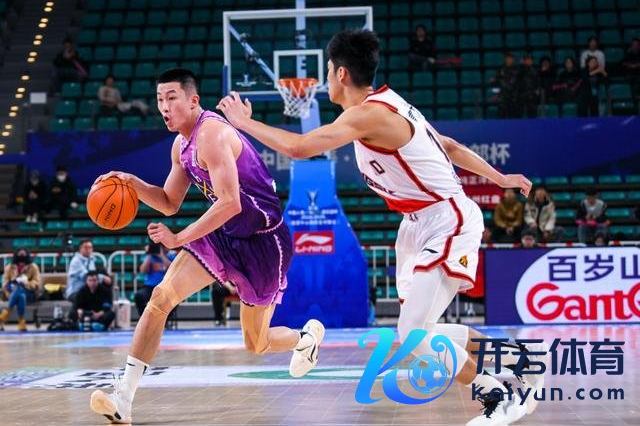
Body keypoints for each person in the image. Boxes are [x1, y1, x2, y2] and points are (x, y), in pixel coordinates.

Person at [218, 29, 544, 426]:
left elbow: (299, 148)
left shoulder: (369, 114)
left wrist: (243, 123)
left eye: (327, 70)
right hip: (417, 225)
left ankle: (496, 395)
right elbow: (449, 146)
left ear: (340, 73)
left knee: (413, 334)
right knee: (423, 330)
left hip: (446, 219)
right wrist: (500, 177)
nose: (325, 78)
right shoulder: (391, 105)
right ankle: (522, 358)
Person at [89, 68, 324, 424]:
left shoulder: (211, 133)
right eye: (159, 99)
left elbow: (230, 202)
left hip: (263, 244)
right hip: (223, 235)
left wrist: (178, 238)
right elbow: (169, 202)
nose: (164, 107)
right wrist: (132, 183)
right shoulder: (180, 146)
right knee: (160, 299)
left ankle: (304, 339)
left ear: (193, 100)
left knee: (256, 343)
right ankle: (123, 398)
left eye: (172, 98)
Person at [0, 248, 41, 331]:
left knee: (20, 290)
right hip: (12, 293)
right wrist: (13, 283)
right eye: (20, 255)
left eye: (23, 255)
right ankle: (21, 322)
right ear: (16, 255)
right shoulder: (9, 267)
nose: (22, 257)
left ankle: (6, 314)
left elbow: (37, 283)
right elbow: (5, 285)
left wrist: (26, 283)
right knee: (20, 295)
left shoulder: (33, 267)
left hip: (30, 293)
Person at [134, 241, 174, 317]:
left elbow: (172, 268)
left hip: (165, 286)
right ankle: (144, 318)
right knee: (139, 295)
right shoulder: (149, 258)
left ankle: (163, 321)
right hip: (149, 286)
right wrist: (149, 254)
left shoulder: (170, 257)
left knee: (172, 299)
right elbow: (142, 271)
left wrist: (161, 255)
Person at [492, 52, 522, 118]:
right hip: (502, 96)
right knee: (501, 115)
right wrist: (496, 94)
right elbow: (496, 84)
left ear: (513, 59)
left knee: (514, 116)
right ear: (505, 59)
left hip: (514, 97)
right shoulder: (500, 69)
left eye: (511, 58)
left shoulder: (517, 69)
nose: (509, 60)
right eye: (507, 58)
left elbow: (519, 83)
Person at [519, 52, 540, 118]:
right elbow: (518, 78)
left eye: (530, 60)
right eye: (527, 60)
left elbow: (537, 82)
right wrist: (522, 66)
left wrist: (537, 90)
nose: (529, 61)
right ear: (524, 61)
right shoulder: (520, 70)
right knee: (520, 112)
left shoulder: (535, 71)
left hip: (532, 95)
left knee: (532, 112)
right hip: (521, 95)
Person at [622, 38, 640, 111]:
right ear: (631, 46)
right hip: (631, 75)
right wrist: (631, 66)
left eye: (637, 44)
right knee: (633, 81)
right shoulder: (628, 54)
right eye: (633, 44)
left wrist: (637, 66)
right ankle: (634, 103)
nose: (635, 46)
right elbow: (623, 64)